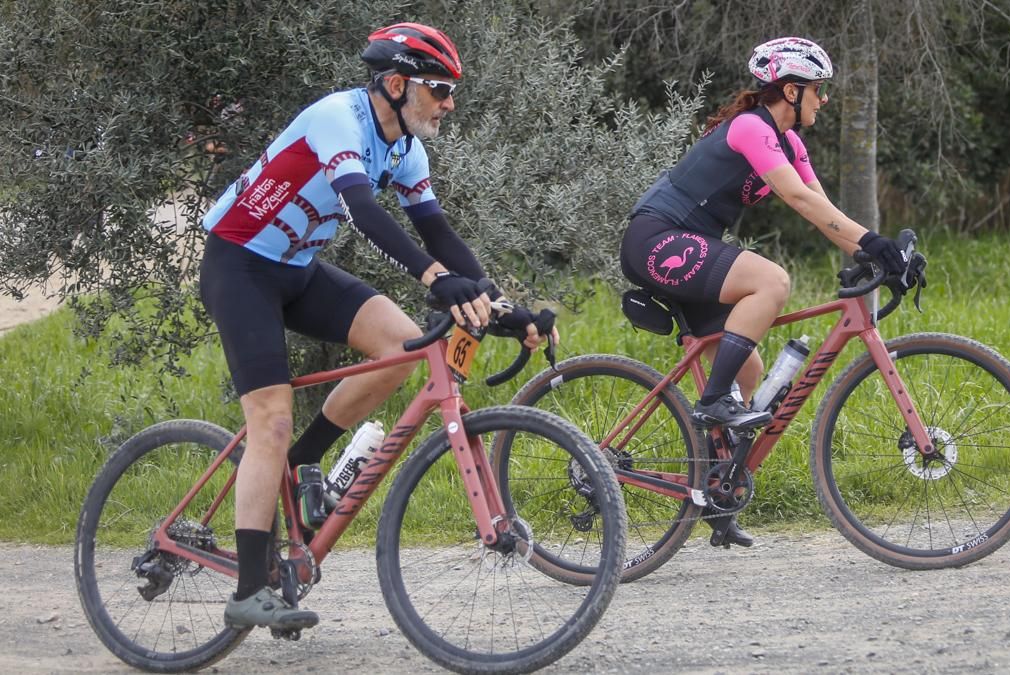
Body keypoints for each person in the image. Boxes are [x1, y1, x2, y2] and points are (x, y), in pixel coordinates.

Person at [199, 22, 549, 631]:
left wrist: (501, 307)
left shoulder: (408, 149)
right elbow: (362, 212)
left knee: (400, 344)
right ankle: (249, 586)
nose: (449, 102)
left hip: (297, 268)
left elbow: (438, 233)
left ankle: (300, 462)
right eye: (439, 89)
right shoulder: (339, 117)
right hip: (240, 264)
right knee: (271, 417)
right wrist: (437, 281)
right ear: (395, 83)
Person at [618, 37, 909, 547]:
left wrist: (875, 252)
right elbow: (794, 196)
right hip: (655, 239)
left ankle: (717, 489)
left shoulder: (790, 143)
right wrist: (873, 242)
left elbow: (824, 211)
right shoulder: (752, 127)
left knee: (748, 369)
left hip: (686, 245)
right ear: (791, 91)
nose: (823, 100)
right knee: (771, 280)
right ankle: (711, 403)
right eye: (818, 91)